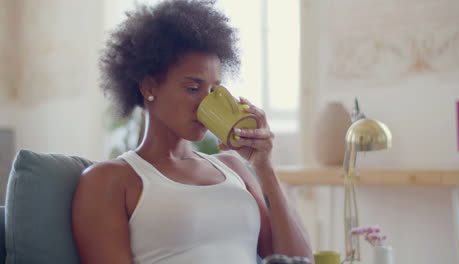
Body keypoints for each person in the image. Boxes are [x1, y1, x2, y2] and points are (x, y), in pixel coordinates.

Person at [71, 0, 312, 263]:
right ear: (149, 86)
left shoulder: (234, 168)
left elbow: (298, 260)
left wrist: (264, 167)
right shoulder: (109, 180)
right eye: (193, 89)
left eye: (212, 91)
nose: (205, 103)